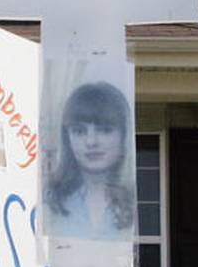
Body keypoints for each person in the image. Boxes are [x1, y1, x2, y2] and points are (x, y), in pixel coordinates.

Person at [44, 81, 134, 241]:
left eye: (105, 130)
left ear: (124, 135)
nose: (91, 142)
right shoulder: (50, 200)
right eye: (79, 131)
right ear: (67, 138)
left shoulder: (135, 200)